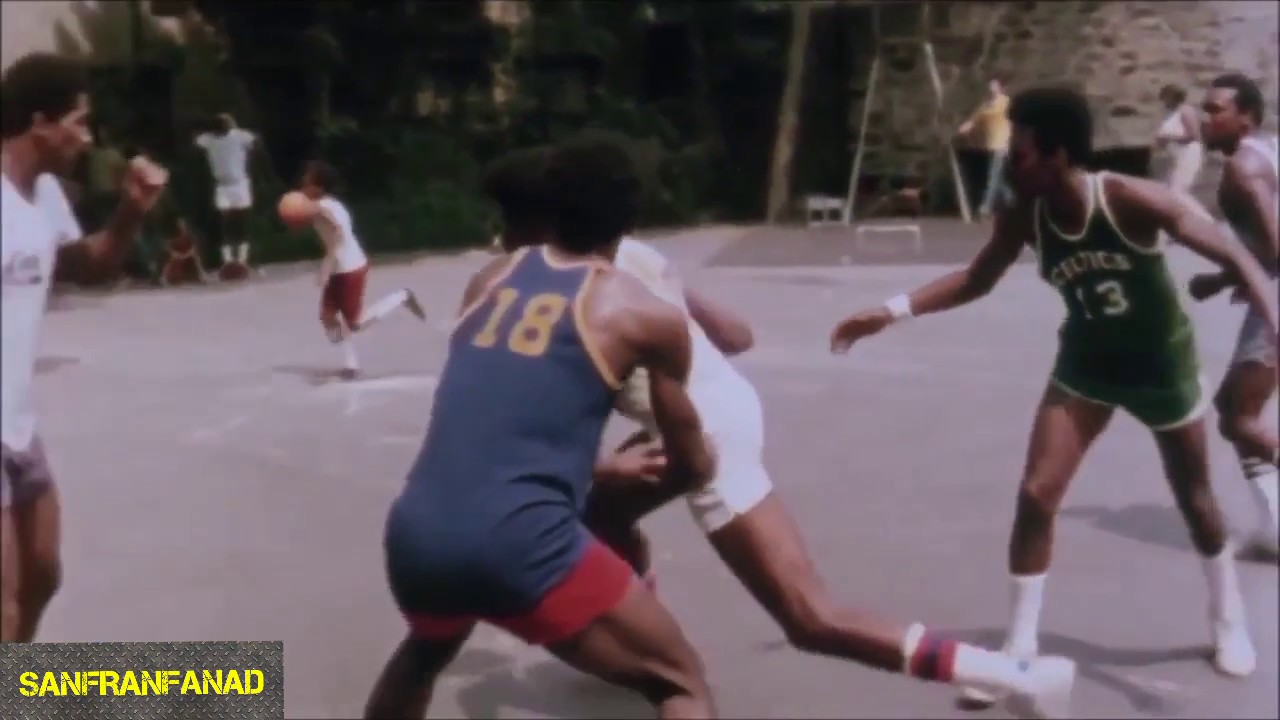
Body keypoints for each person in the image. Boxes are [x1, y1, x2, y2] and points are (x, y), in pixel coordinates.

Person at [480, 138, 1080, 719]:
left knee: (809, 617)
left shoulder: (572, 293)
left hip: (705, 432)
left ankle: (1016, 678)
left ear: (546, 223)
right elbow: (733, 335)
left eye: (509, 222)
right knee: (603, 512)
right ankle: (644, 631)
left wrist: (597, 461)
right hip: (715, 404)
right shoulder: (632, 253)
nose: (500, 239)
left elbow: (553, 426)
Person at [830, 87, 1279, 703]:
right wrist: (889, 311)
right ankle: (1018, 654)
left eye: (1019, 155)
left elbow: (1231, 250)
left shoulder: (1127, 199)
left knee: (1195, 497)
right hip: (1087, 363)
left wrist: (1273, 319)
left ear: (1058, 155)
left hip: (1160, 366)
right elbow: (977, 278)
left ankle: (1227, 616)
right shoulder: (1025, 213)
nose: (1009, 166)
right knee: (1037, 495)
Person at [363, 134, 720, 720]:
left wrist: (596, 470)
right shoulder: (647, 316)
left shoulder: (489, 279)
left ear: (548, 209)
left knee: (426, 652)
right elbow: (691, 461)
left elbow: (498, 414)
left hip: (416, 534)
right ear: (631, 222)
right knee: (680, 683)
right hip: (522, 544)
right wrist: (666, 474)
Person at [1, 52, 167, 642]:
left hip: (17, 423)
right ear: (40, 122)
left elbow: (88, 265)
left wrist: (131, 212)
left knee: (43, 573)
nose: (88, 137)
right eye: (79, 121)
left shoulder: (45, 194)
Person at [1189, 73, 1279, 559]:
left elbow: (1276, 247)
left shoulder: (1243, 170)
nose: (1206, 118)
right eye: (1204, 108)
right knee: (1232, 409)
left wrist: (1226, 277)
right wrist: (1224, 279)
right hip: (1269, 291)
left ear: (1246, 117)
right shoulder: (1267, 151)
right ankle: (1275, 528)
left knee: (1240, 418)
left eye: (1216, 110)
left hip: (1275, 299)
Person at [288, 160, 426, 380]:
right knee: (328, 318)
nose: (303, 182)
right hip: (339, 269)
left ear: (319, 187)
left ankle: (402, 297)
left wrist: (326, 265)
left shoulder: (324, 207)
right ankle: (350, 364)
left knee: (354, 323)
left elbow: (338, 233)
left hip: (349, 268)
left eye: (308, 180)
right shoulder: (325, 205)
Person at [195, 112, 256, 275]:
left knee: (241, 222)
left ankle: (242, 260)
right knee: (225, 224)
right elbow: (197, 143)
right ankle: (228, 261)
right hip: (223, 186)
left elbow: (253, 142)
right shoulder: (209, 139)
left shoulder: (239, 136)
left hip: (240, 184)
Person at [959, 77, 1013, 218]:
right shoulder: (986, 105)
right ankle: (1014, 203)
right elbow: (974, 120)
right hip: (991, 145)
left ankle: (985, 208)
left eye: (994, 86)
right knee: (1000, 181)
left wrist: (1009, 142)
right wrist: (965, 127)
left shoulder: (1006, 102)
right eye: (990, 86)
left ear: (1000, 88)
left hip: (1002, 144)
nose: (991, 89)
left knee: (993, 177)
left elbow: (1012, 121)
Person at [1154, 84, 1205, 195]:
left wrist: (1169, 138)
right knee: (1169, 186)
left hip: (1187, 154)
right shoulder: (1170, 112)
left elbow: (1193, 135)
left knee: (1178, 188)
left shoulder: (1185, 111)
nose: (1163, 101)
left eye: (1165, 98)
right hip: (1174, 157)